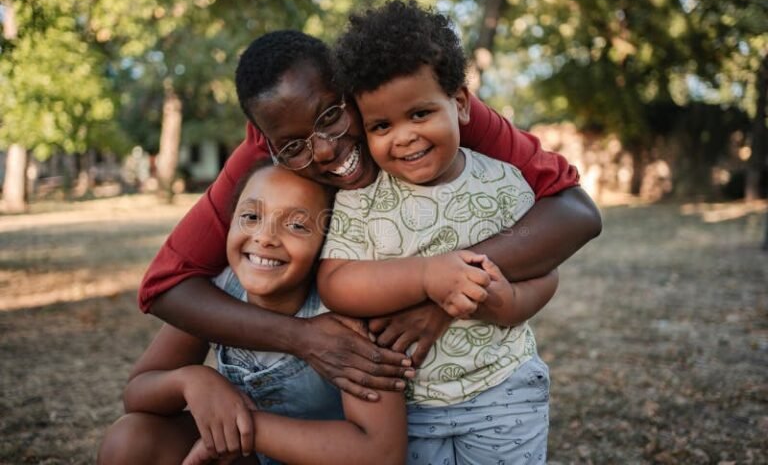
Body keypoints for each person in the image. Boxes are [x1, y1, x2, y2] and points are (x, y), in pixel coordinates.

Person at [137, 28, 601, 404]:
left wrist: (443, 291)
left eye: (333, 116)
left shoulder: (428, 109)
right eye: (295, 146)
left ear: (352, 91)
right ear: (270, 143)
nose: (325, 149)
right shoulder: (267, 152)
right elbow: (165, 287)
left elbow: (575, 211)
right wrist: (301, 338)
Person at [318, 0, 560, 463]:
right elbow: (335, 281)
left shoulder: (504, 181)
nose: (403, 136)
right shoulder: (363, 197)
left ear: (461, 105)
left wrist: (512, 305)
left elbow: (545, 270)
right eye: (381, 125)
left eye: (420, 114)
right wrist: (427, 276)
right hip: (412, 408)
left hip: (504, 392)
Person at [98, 162, 407, 465]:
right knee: (130, 440)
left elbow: (380, 452)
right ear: (229, 223)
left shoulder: (348, 312)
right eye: (251, 216)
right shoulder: (216, 293)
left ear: (327, 244)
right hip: (246, 457)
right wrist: (191, 380)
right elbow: (136, 393)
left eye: (297, 225)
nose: (265, 237)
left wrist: (249, 427)